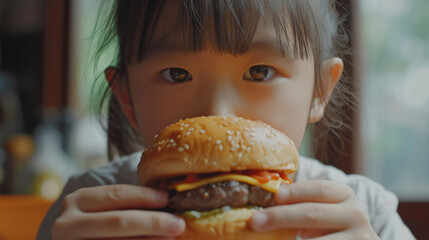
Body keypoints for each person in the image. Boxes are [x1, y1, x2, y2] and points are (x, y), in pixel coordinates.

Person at [38, 0, 415, 239]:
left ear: (319, 90)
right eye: (176, 74)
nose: (216, 114)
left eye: (260, 72)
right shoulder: (87, 209)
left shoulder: (365, 212)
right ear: (127, 99)